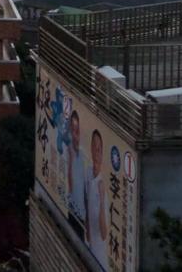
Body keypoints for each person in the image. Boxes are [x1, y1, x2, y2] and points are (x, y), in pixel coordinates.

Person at [84, 128, 109, 270]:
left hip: (99, 255)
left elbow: (104, 233)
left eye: (99, 148)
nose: (96, 151)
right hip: (89, 245)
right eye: (94, 146)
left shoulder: (102, 186)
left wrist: (101, 199)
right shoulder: (87, 173)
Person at [67, 111, 86, 232]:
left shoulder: (83, 155)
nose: (75, 135)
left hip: (82, 213)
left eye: (77, 130)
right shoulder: (68, 151)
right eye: (73, 130)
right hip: (71, 207)